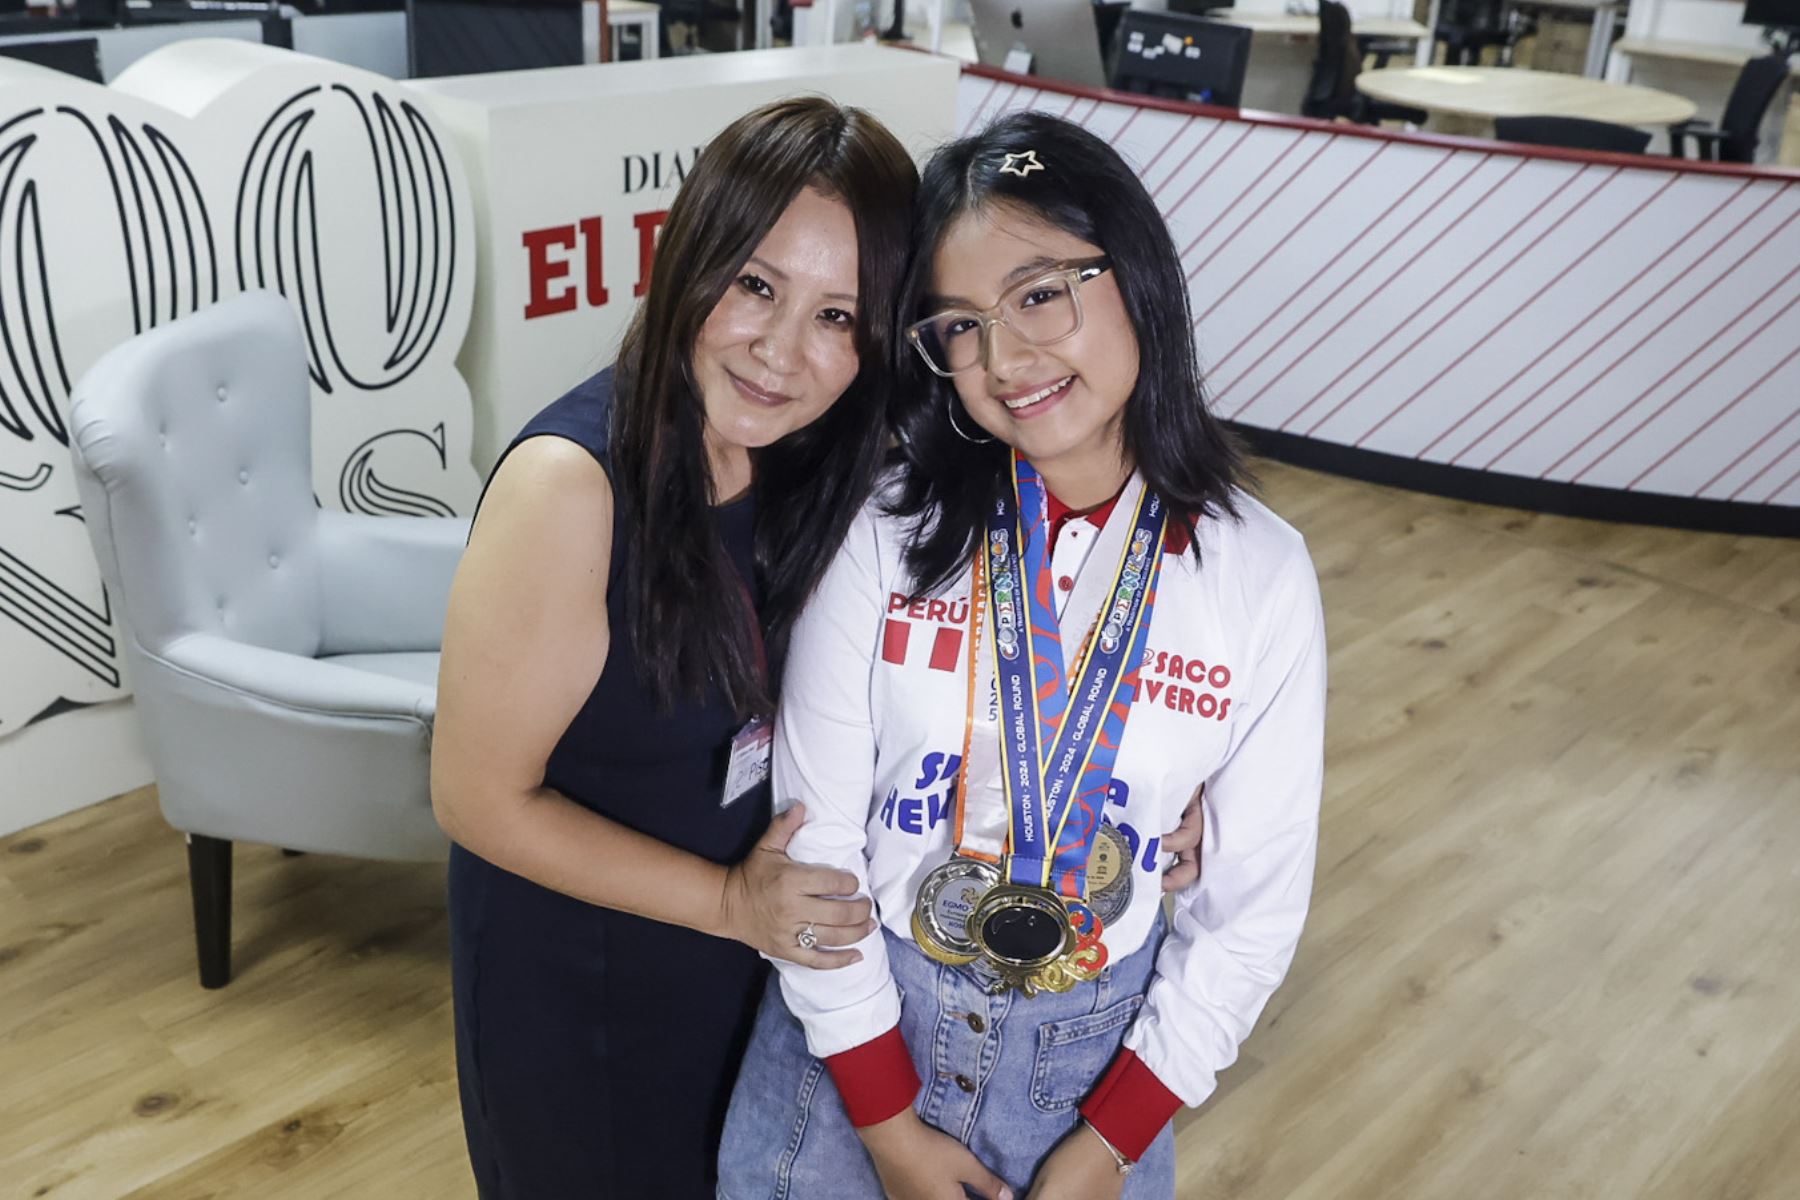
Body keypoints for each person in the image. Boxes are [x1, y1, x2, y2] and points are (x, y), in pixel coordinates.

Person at [717, 110, 1327, 1200]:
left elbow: (1251, 914)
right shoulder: (883, 530)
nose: (1003, 359)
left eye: (1041, 293)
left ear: (1137, 276)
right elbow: (818, 849)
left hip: (1095, 1095)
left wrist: (1111, 1144)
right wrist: (891, 1129)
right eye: (957, 326)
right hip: (847, 1064)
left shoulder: (1261, 574)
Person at [429, 98, 919, 1199]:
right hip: (584, 988)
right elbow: (475, 800)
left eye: (838, 316)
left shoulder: (805, 460)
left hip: (741, 979)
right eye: (755, 285)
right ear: (687, 257)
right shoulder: (572, 486)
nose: (782, 351)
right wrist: (730, 906)